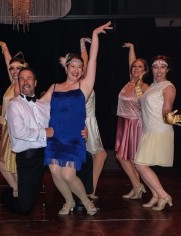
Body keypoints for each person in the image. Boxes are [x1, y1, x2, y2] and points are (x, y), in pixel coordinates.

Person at [41, 21, 113, 216]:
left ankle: (86, 201)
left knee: (68, 174)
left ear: (83, 70)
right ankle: (68, 201)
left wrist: (95, 35)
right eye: (72, 65)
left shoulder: (84, 87)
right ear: (66, 67)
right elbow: (38, 106)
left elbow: (94, 60)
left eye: (80, 66)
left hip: (73, 137)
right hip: (55, 137)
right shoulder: (54, 87)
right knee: (55, 172)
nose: (76, 69)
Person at [4, 67, 89, 215]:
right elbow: (19, 132)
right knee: (24, 207)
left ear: (35, 82)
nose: (25, 81)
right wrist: (44, 132)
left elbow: (66, 116)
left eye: (29, 78)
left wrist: (82, 129)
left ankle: (80, 200)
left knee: (79, 162)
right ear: (18, 83)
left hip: (49, 151)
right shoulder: (14, 105)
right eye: (22, 79)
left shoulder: (44, 104)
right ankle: (7, 195)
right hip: (29, 158)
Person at [134, 55, 181, 211]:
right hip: (148, 130)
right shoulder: (151, 86)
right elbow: (140, 99)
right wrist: (138, 81)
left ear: (167, 69)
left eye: (162, 67)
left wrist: (169, 117)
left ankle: (163, 195)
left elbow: (166, 109)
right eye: (155, 66)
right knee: (141, 165)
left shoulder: (168, 87)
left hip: (159, 130)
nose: (159, 70)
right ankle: (156, 195)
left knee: (140, 165)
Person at [0, 40, 28, 197]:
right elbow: (10, 66)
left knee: (4, 160)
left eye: (18, 68)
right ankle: (18, 189)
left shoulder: (20, 86)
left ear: (24, 68)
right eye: (12, 68)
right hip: (9, 128)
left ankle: (17, 189)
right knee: (7, 161)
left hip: (13, 130)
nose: (14, 71)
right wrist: (5, 48)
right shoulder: (15, 82)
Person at [114, 42, 149, 200]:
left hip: (135, 124)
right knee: (124, 157)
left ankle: (138, 186)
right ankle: (137, 187)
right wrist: (132, 48)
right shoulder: (130, 81)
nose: (136, 68)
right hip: (123, 122)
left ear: (145, 70)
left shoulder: (144, 86)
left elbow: (149, 108)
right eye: (134, 67)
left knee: (131, 158)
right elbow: (131, 62)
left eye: (140, 67)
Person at [80, 37, 107, 200]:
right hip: (86, 122)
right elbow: (88, 60)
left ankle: (90, 189)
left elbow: (86, 58)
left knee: (99, 155)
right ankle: (90, 190)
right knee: (99, 155)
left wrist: (82, 43)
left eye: (83, 66)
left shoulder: (84, 79)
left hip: (91, 121)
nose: (82, 67)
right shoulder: (83, 84)